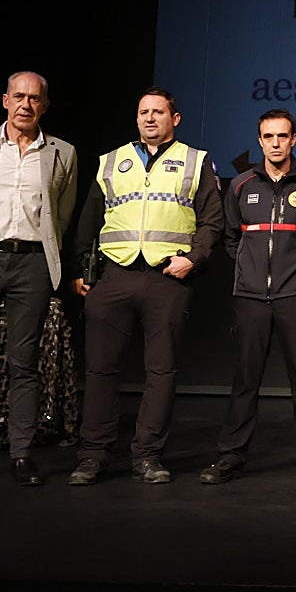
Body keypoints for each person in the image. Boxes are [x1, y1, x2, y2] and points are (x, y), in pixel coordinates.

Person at [66, 87, 223, 485]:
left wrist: (194, 258)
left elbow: (212, 220)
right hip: (114, 276)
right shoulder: (111, 161)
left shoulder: (195, 161)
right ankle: (93, 456)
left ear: (176, 118)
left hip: (165, 278)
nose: (149, 118)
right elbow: (88, 218)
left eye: (158, 112)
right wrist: (82, 269)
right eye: (143, 112)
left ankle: (147, 456)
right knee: (100, 370)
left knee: (161, 371)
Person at [199, 109, 296, 486]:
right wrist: (252, 271)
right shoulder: (242, 185)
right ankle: (230, 455)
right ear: (260, 141)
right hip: (250, 297)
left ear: (294, 140)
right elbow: (231, 238)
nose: (275, 143)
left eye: (283, 136)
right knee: (245, 378)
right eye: (268, 137)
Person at [0, 71, 77, 488]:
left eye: (35, 98)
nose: (26, 104)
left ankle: (21, 455)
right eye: (19, 96)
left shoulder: (63, 152)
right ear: (5, 100)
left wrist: (43, 256)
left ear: (45, 105)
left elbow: (62, 214)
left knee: (24, 364)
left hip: (32, 264)